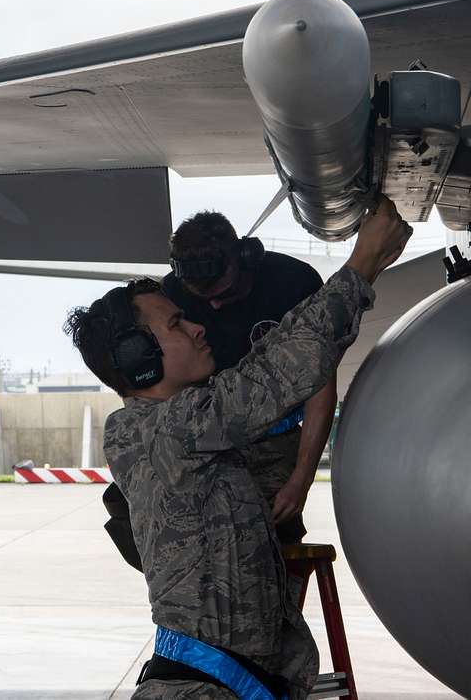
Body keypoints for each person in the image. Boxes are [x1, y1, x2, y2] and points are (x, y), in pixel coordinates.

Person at [64, 196, 411, 699]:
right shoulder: (167, 429)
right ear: (139, 357)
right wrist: (362, 265)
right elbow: (273, 374)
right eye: (177, 325)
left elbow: (269, 358)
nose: (199, 324)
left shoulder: (180, 423)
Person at [162, 212, 335, 546]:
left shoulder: (293, 284)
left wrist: (301, 479)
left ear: (246, 256)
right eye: (203, 297)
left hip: (276, 439)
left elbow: (321, 386)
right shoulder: (172, 294)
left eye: (224, 294)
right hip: (205, 442)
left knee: (276, 546)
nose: (213, 305)